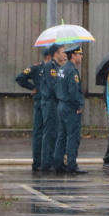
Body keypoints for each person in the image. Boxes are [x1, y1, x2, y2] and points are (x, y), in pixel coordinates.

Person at [15, 47, 51, 172]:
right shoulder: (37, 68)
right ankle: (37, 162)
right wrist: (32, 87)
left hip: (51, 103)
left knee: (50, 132)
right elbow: (20, 78)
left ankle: (48, 161)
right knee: (39, 133)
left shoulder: (55, 69)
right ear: (48, 57)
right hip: (40, 102)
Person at [53, 45, 86, 174]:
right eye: (80, 54)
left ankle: (58, 164)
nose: (82, 56)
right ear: (74, 55)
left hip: (62, 105)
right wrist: (78, 105)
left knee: (62, 136)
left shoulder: (62, 68)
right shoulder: (72, 70)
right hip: (71, 107)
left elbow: (57, 86)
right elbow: (73, 90)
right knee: (73, 136)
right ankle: (72, 165)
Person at [39, 43, 66, 172]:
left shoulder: (59, 66)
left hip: (55, 102)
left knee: (55, 132)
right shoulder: (51, 66)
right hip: (50, 103)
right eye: (62, 52)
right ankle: (46, 163)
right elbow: (54, 85)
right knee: (49, 133)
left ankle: (54, 160)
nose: (64, 54)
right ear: (55, 54)